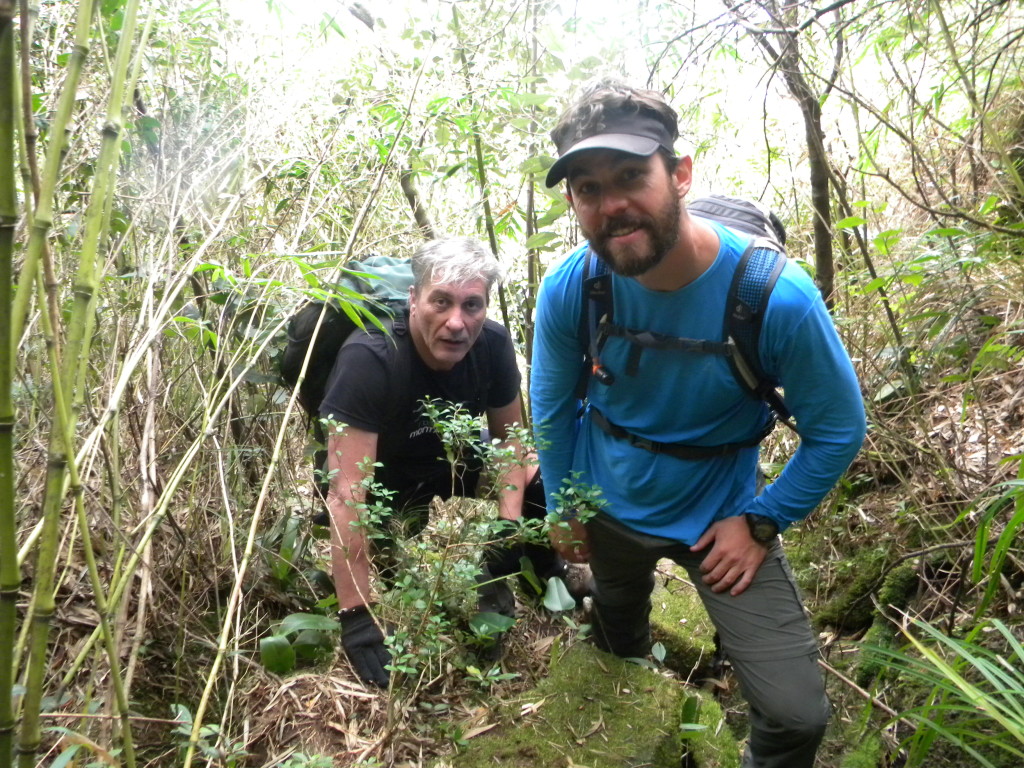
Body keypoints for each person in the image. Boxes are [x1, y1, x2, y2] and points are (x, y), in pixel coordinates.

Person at [530, 78, 866, 768]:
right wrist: (564, 503)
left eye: (630, 177)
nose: (612, 206)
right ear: (573, 203)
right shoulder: (574, 286)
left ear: (680, 174)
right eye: (589, 189)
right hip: (608, 503)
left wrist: (763, 521)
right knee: (618, 618)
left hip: (723, 517)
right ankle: (632, 689)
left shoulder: (774, 297)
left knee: (797, 714)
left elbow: (838, 429)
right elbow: (553, 407)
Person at [320, 237, 562, 688]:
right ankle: (363, 580)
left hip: (454, 455)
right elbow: (348, 492)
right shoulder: (369, 357)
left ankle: (538, 571)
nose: (456, 322)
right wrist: (356, 614)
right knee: (388, 561)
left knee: (541, 480)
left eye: (472, 305)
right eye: (441, 302)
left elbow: (512, 443)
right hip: (384, 476)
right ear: (414, 300)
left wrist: (507, 529)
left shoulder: (491, 342)